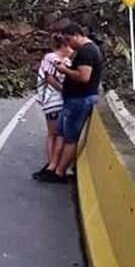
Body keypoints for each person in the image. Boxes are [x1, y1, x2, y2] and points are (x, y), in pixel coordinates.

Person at [35, 23, 103, 183]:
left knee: (70, 137)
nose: (69, 44)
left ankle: (59, 172)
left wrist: (64, 70)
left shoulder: (87, 51)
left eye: (69, 39)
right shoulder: (83, 51)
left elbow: (84, 77)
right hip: (72, 99)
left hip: (80, 99)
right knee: (61, 133)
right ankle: (52, 168)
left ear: (76, 35)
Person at [32, 34, 73, 179]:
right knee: (53, 134)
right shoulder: (51, 58)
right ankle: (50, 165)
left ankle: (52, 165)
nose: (72, 50)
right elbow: (50, 79)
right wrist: (65, 91)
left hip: (61, 101)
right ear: (63, 46)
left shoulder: (67, 61)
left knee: (57, 134)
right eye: (69, 47)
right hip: (52, 100)